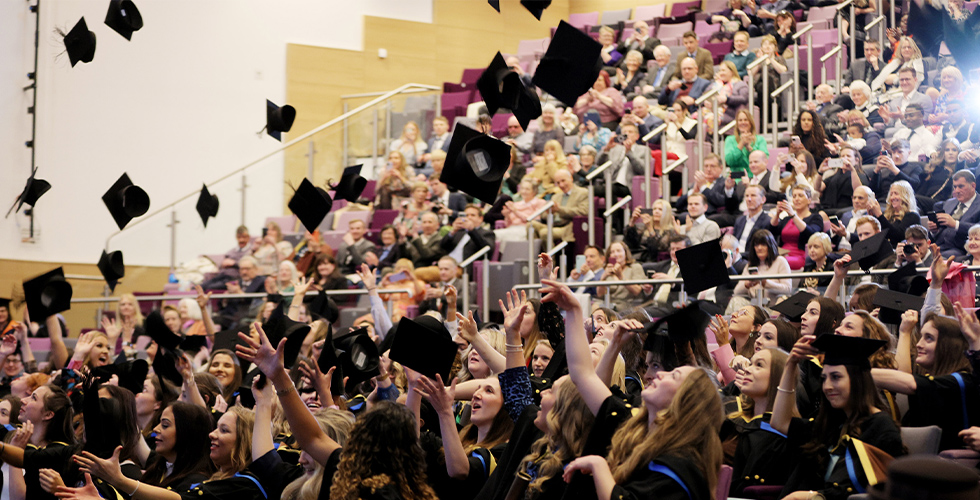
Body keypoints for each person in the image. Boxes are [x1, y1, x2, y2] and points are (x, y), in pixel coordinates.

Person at [557, 275, 723, 500]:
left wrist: (599, 466)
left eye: (673, 375)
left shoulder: (682, 469)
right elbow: (582, 375)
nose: (659, 374)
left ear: (685, 402)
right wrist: (574, 311)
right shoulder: (631, 421)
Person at [772, 335, 905, 499]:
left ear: (857, 380)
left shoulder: (880, 427)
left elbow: (874, 491)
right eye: (824, 378)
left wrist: (810, 496)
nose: (827, 386)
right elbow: (779, 422)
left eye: (836, 377)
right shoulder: (833, 424)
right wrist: (790, 365)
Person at [873, 302, 980, 451]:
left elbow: (908, 383)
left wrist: (857, 370)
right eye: (921, 336)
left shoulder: (962, 381)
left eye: (928, 338)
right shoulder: (936, 378)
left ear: (948, 346)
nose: (918, 344)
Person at [724, 348, 800, 496]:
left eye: (759, 365)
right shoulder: (732, 417)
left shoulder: (784, 434)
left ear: (780, 377)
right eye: (750, 364)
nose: (747, 370)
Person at [708, 305, 769, 381]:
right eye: (736, 312)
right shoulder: (730, 350)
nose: (733, 314)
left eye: (743, 313)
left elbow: (735, 386)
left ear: (755, 327)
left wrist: (723, 344)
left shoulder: (756, 358)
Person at [768, 185, 823, 269]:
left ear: (809, 200)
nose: (796, 199)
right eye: (794, 196)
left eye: (800, 196)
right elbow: (771, 231)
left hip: (801, 256)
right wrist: (777, 214)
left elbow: (811, 234)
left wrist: (793, 215)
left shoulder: (815, 218)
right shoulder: (787, 219)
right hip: (782, 254)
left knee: (778, 262)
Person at [929, 170, 980, 257]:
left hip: (960, 249)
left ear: (973, 186)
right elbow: (941, 230)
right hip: (938, 246)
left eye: (961, 186)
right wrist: (934, 231)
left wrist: (956, 224)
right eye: (955, 187)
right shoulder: (949, 203)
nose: (957, 191)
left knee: (937, 258)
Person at [531, 170, 588, 245]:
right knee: (531, 225)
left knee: (544, 233)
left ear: (571, 178)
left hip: (568, 227)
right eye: (558, 183)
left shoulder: (583, 193)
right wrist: (549, 212)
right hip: (553, 225)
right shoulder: (556, 196)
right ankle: (534, 254)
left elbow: (583, 212)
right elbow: (544, 216)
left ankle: (549, 256)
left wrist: (559, 210)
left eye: (563, 181)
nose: (561, 185)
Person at [734, 229, 792, 302]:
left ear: (770, 246)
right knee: (735, 300)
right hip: (753, 306)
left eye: (763, 244)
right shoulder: (750, 265)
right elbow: (736, 292)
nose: (759, 248)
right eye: (756, 245)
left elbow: (787, 290)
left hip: (774, 305)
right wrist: (747, 284)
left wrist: (764, 282)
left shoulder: (780, 261)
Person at [596, 241, 648, 312]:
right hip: (609, 303)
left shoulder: (635, 267)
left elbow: (637, 291)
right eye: (612, 252)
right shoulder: (608, 269)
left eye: (619, 251)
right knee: (594, 306)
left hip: (629, 304)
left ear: (625, 253)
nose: (615, 254)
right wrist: (603, 277)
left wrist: (621, 276)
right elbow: (600, 294)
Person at [868, 180, 920, 246]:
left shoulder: (912, 216)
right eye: (891, 194)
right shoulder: (887, 215)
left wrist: (879, 215)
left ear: (905, 196)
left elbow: (898, 236)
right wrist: (872, 217)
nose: (892, 197)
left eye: (896, 193)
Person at [725, 109, 769, 178]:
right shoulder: (730, 140)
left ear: (750, 122)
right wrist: (741, 144)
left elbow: (764, 160)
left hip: (755, 178)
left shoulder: (760, 140)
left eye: (746, 120)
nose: (743, 122)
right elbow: (729, 161)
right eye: (740, 120)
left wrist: (749, 148)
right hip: (736, 178)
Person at [732, 183, 773, 255]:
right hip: (735, 256)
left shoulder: (767, 221)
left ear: (763, 199)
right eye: (747, 196)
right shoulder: (740, 220)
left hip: (750, 258)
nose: (749, 199)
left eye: (753, 195)